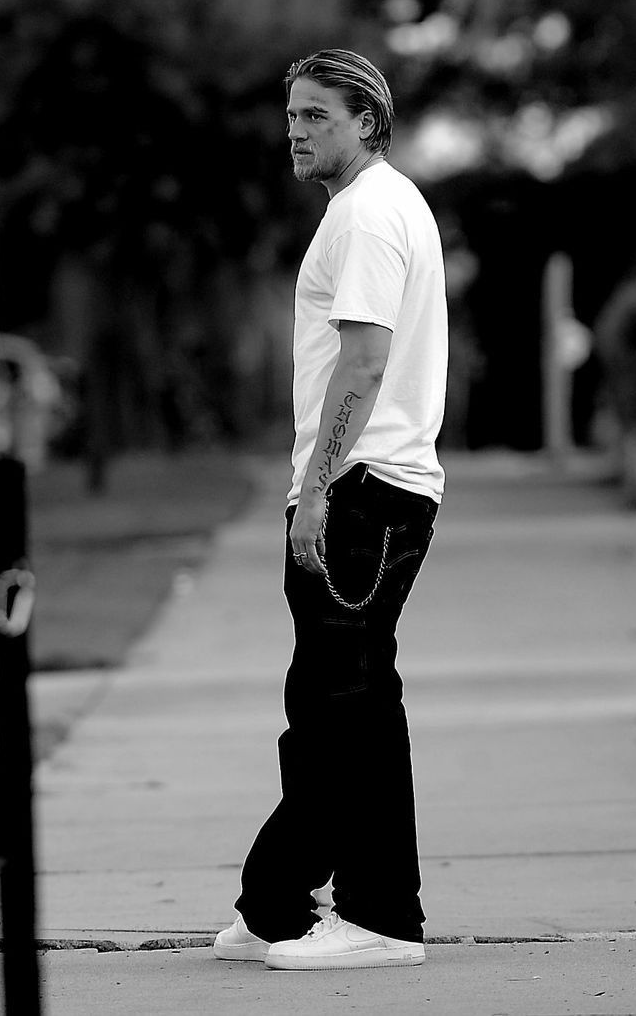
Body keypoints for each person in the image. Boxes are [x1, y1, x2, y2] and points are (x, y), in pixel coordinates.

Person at [214, 49, 448, 971]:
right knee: (337, 705)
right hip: (373, 486)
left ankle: (380, 918)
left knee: (342, 707)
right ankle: (275, 902)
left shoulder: (366, 214)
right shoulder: (381, 206)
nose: (296, 130)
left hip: (361, 491)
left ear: (367, 121)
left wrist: (315, 490)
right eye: (292, 114)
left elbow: (363, 360)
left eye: (316, 115)